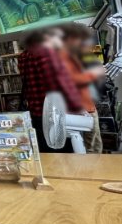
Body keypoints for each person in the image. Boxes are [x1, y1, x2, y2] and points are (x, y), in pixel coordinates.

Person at [18, 26, 84, 152]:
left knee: (48, 157)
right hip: (55, 116)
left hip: (36, 114)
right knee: (67, 157)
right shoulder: (44, 53)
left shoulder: (23, 57)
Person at [60, 23, 105, 153]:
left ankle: (96, 170)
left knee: (94, 143)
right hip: (81, 109)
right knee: (89, 147)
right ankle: (91, 172)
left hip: (88, 106)